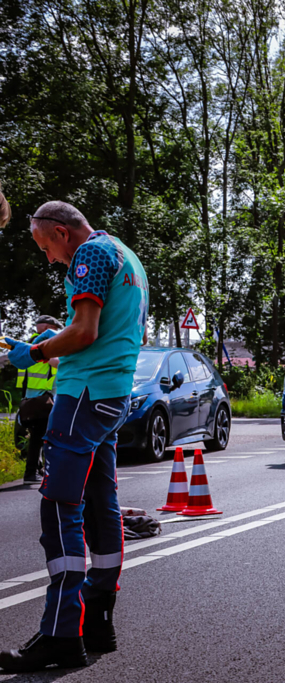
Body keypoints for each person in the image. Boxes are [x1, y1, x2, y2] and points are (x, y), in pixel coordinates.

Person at [0, 201, 149, 673]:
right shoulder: (125, 254)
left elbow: (84, 331)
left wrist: (37, 351)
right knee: (102, 503)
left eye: (46, 248)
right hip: (112, 395)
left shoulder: (89, 256)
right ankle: (97, 620)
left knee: (60, 506)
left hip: (82, 396)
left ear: (63, 233)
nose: (49, 259)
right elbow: (103, 333)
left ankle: (62, 634)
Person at [14, 315, 63, 483]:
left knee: (37, 435)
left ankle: (37, 470)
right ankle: (32, 473)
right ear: (50, 328)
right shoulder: (44, 345)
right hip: (43, 399)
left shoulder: (26, 345)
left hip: (29, 399)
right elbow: (57, 363)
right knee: (41, 436)